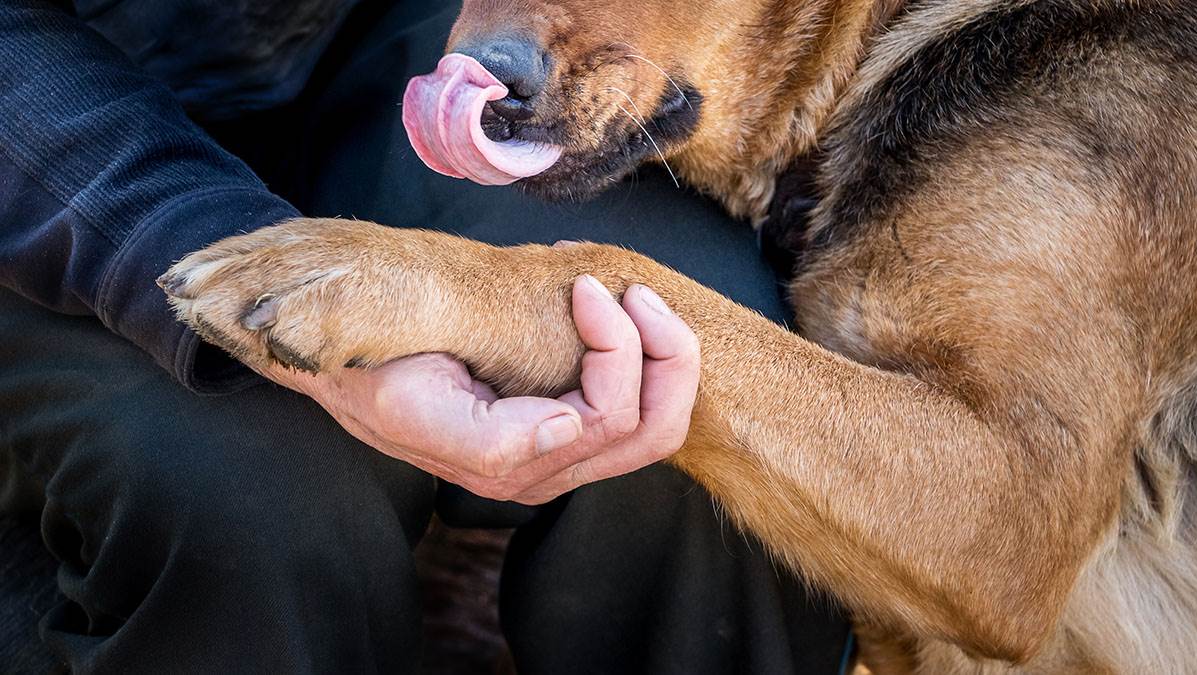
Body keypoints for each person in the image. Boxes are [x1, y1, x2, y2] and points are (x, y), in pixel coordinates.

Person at [0, 0, 851, 671]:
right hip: (40, 130)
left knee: (675, 360)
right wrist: (189, 232)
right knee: (257, 486)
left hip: (381, 39)